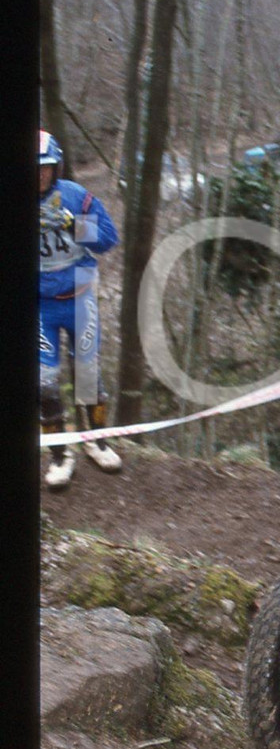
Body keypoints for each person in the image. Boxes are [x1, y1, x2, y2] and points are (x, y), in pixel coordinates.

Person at [39, 130, 122, 490]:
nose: (39, 174)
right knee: (44, 384)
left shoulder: (75, 195)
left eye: (45, 167)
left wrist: (74, 224)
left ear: (56, 167)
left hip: (80, 296)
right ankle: (60, 455)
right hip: (40, 305)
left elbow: (108, 239)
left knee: (88, 374)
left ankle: (97, 442)